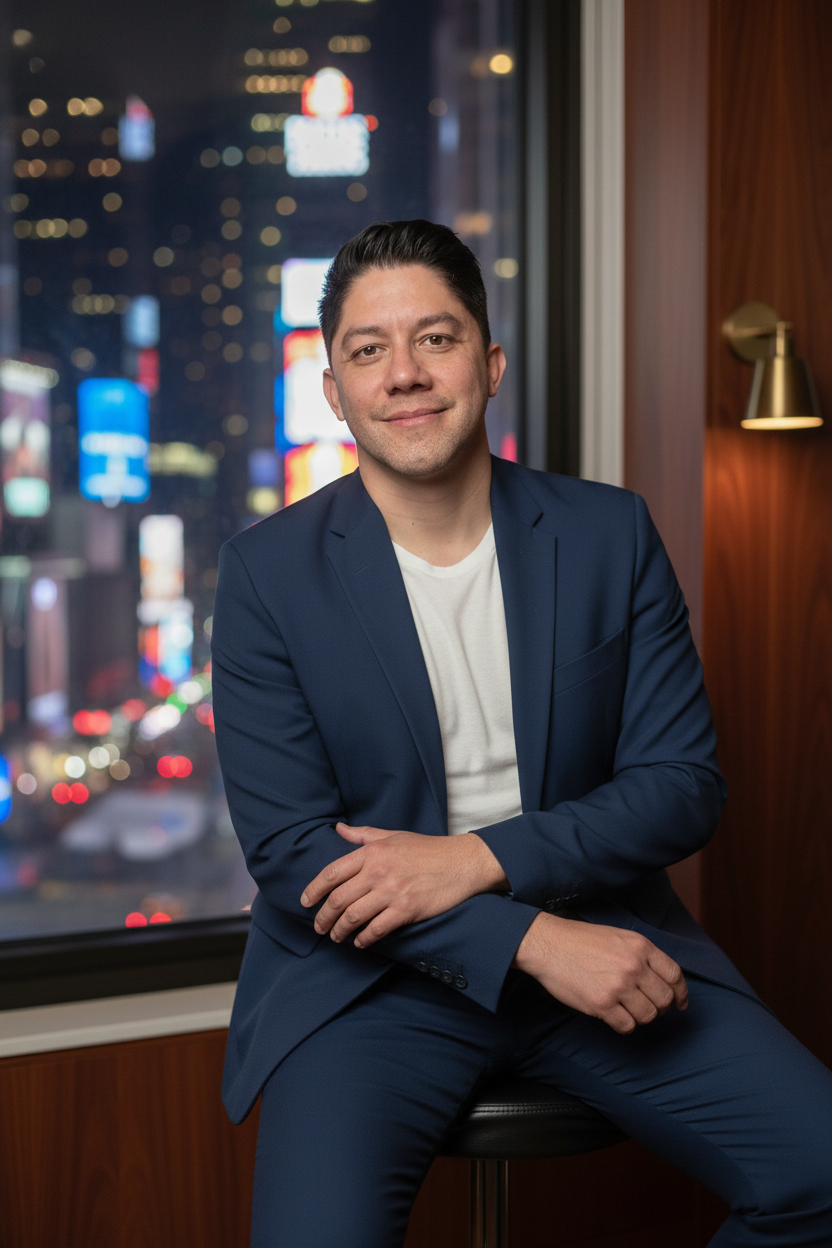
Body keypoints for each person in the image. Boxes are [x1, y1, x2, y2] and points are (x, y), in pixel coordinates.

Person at [211, 220, 832, 1248]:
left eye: (436, 338)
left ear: (490, 364)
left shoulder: (609, 533)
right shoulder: (266, 573)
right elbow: (291, 852)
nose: (404, 374)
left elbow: (681, 784)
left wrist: (479, 859)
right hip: (373, 979)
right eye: (368, 350)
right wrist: (531, 941)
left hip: (604, 939)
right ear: (333, 391)